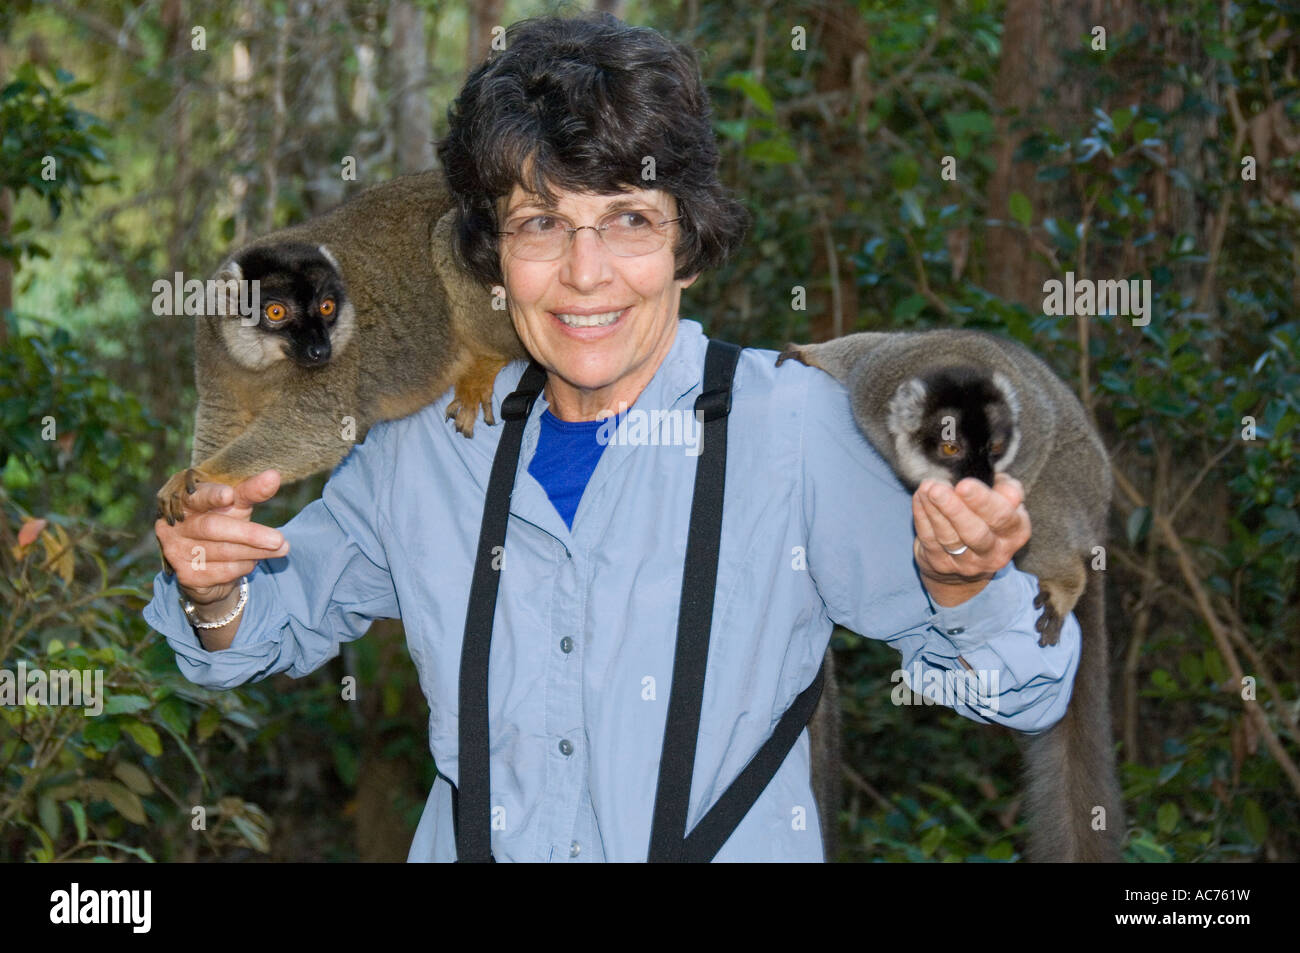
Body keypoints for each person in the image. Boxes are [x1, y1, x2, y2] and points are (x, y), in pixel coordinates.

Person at [144, 12, 1081, 862]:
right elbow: (249, 638)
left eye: (628, 220)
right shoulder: (426, 447)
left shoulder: (789, 429)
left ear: (686, 243)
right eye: (542, 223)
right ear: (490, 254)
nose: (584, 274)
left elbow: (1020, 692)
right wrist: (213, 588)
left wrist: (961, 586)